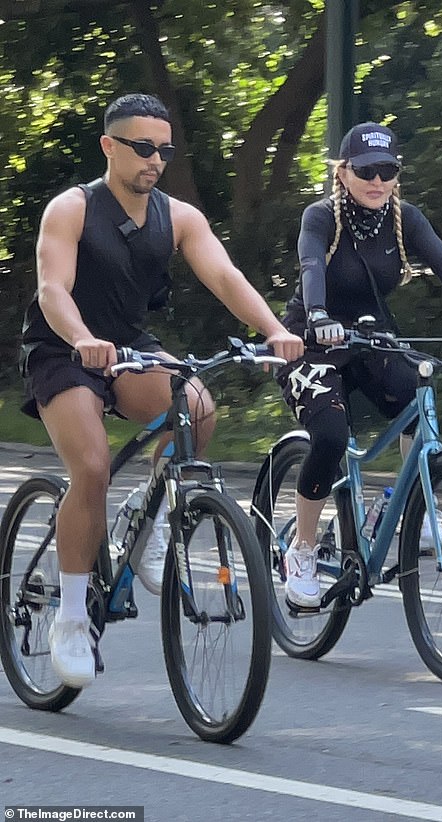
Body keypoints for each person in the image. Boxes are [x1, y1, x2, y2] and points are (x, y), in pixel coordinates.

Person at [19, 93, 304, 687]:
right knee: (92, 468)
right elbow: (52, 289)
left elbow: (224, 276)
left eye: (164, 149)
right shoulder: (71, 209)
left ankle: (143, 522)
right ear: (109, 146)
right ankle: (71, 618)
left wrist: (275, 330)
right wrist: (80, 339)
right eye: (143, 147)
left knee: (196, 404)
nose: (156, 159)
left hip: (128, 347)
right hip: (64, 351)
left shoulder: (180, 217)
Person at [276, 121, 442, 608]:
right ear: (344, 171)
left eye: (387, 170)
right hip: (310, 340)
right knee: (330, 436)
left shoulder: (404, 217)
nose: (377, 180)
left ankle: (401, 506)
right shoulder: (321, 216)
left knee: (421, 386)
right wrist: (319, 315)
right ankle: (302, 551)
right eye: (366, 170)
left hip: (371, 339)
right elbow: (311, 266)